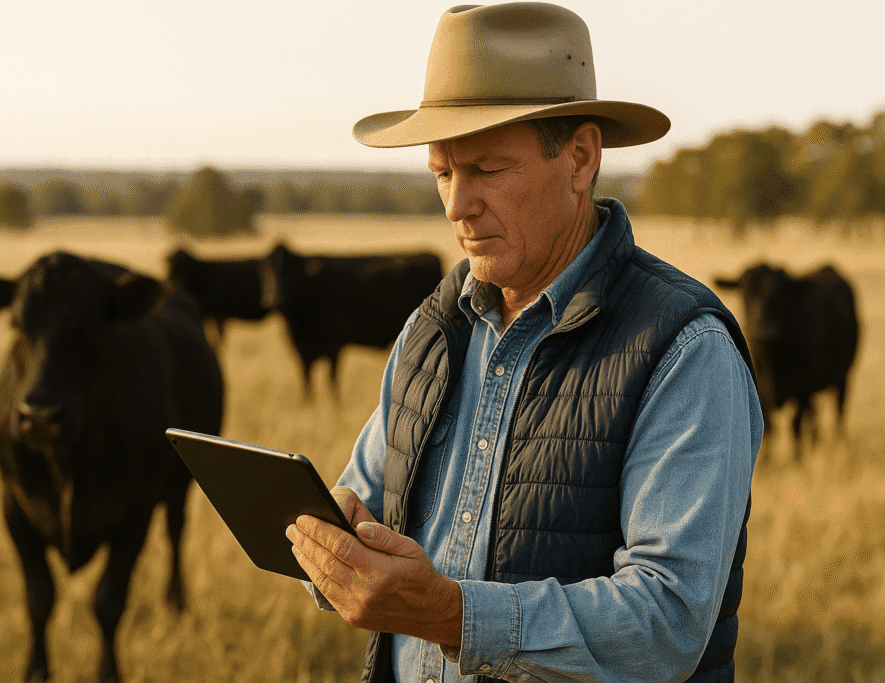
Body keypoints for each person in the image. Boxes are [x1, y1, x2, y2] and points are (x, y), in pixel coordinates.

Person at [285, 3, 762, 682]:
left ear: (580, 157)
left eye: (486, 168)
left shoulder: (683, 348)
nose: (457, 205)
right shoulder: (432, 326)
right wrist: (332, 543)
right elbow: (365, 499)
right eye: (443, 173)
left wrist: (449, 615)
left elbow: (667, 620)